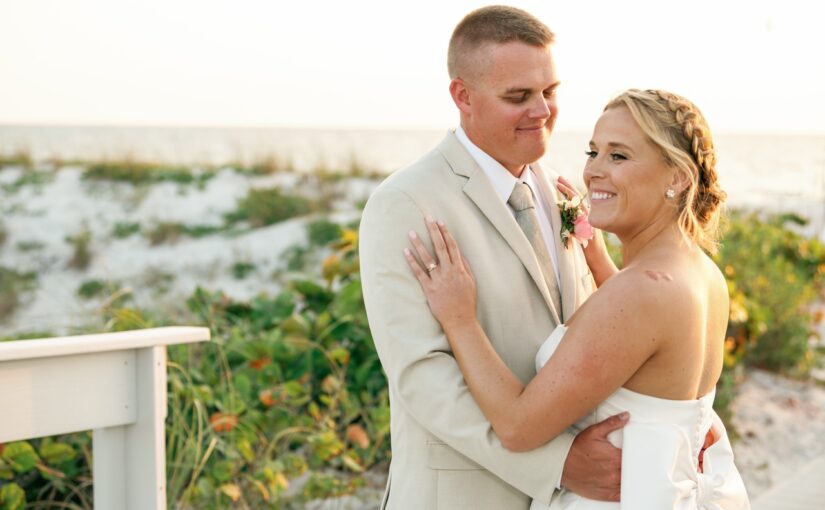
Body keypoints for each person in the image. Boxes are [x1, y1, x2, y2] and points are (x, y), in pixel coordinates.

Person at [403, 88, 751, 509]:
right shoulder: (701, 274)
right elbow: (648, 359)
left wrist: (460, 319)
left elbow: (516, 427)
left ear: (677, 178)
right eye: (593, 152)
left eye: (618, 156)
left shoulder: (640, 291)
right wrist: (601, 262)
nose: (593, 172)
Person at [359, 5, 626, 510]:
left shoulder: (563, 193)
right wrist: (561, 462)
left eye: (550, 92)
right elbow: (423, 378)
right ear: (463, 96)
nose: (543, 111)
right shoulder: (405, 203)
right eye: (518, 96)